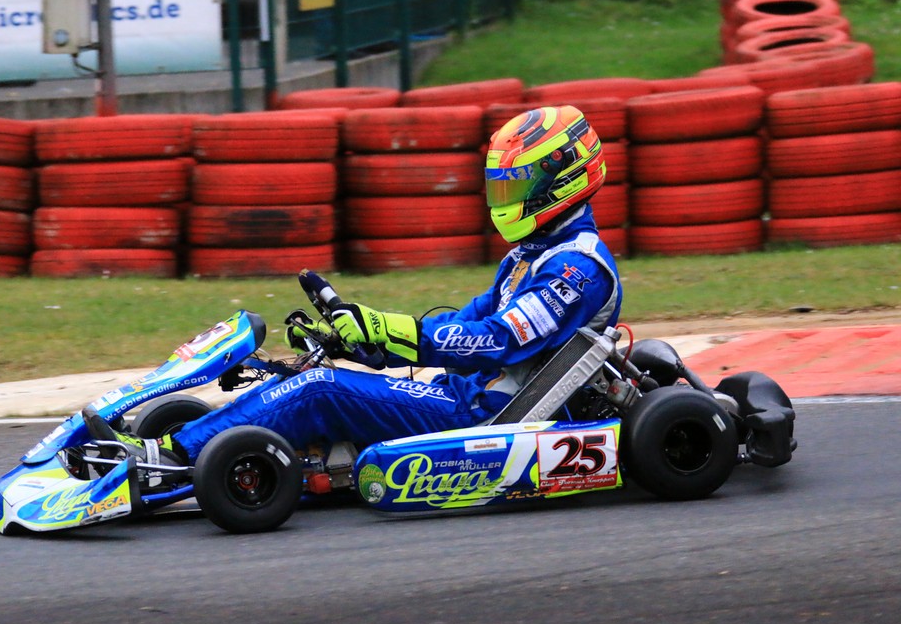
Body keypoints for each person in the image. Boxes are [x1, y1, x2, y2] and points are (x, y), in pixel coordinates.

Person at [86, 104, 623, 468]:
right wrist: (369, 337)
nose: (505, 194)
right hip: (461, 393)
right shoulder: (530, 257)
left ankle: (167, 459)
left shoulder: (578, 270)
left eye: (518, 182)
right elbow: (463, 325)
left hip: (486, 418)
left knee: (322, 390)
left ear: (562, 177)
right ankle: (185, 440)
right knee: (315, 373)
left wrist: (398, 332)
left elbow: (498, 339)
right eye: (502, 182)